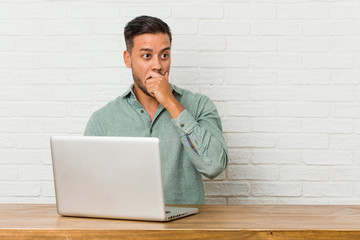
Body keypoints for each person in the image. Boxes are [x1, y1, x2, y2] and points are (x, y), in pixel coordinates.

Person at [84, 15, 228, 204]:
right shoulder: (102, 120)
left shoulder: (200, 105)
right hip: (126, 228)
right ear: (128, 59)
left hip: (185, 229)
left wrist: (171, 103)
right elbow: (88, 186)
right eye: (146, 56)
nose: (158, 66)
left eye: (164, 55)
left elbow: (214, 166)